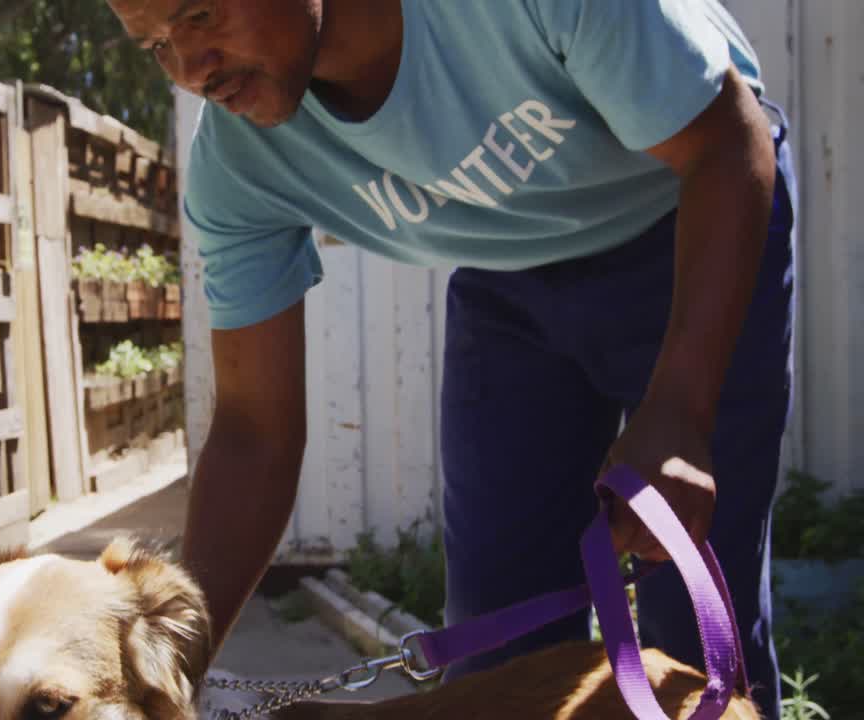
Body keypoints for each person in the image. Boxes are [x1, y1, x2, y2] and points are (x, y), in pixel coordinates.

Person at [104, 0, 796, 716]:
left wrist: (680, 410)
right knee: (496, 657)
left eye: (199, 14)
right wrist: (164, 674)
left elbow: (726, 143)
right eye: (155, 43)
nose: (189, 69)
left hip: (695, 212)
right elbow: (254, 431)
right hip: (509, 274)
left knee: (695, 645)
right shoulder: (238, 167)